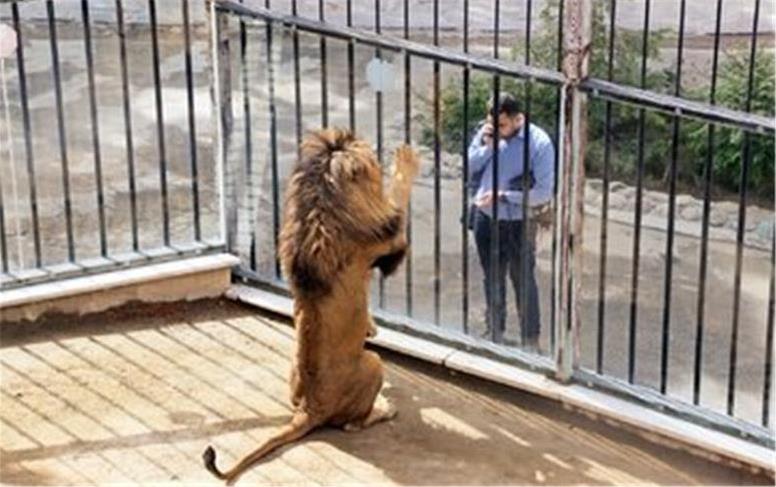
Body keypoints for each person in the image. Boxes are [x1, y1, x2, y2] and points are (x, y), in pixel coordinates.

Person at [467, 93, 555, 349]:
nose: (497, 129)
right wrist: (488, 146)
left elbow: (543, 192)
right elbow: (470, 165)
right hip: (486, 218)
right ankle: (494, 333)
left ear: (518, 119)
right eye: (492, 123)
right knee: (492, 278)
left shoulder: (539, 144)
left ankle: (530, 340)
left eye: (503, 125)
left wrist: (504, 196)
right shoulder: (488, 132)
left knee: (523, 280)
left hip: (518, 222)